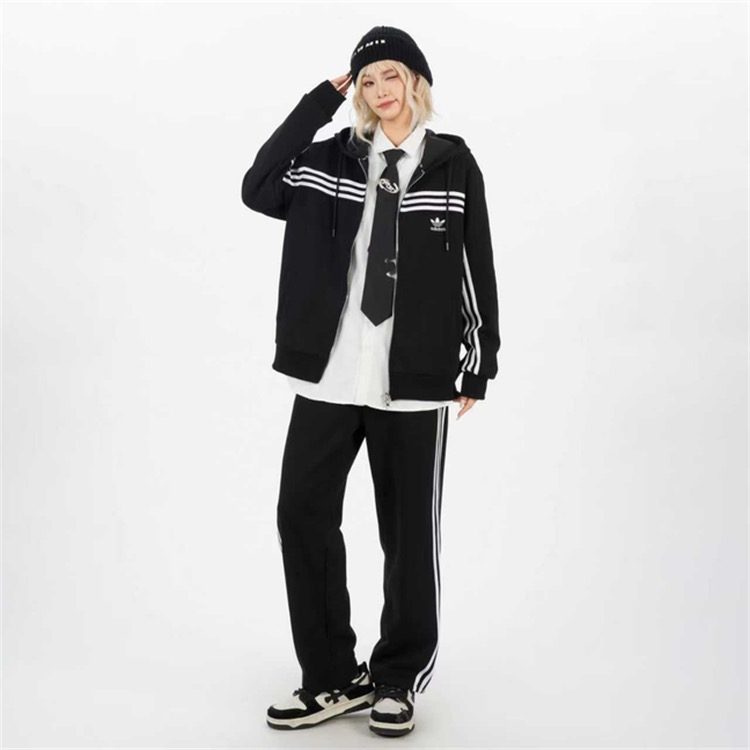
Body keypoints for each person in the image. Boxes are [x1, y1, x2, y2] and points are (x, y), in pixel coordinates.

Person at [241, 25, 500, 737]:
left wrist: (479, 359)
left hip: (412, 379)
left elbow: (475, 264)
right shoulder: (329, 159)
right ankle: (330, 677)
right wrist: (314, 104)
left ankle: (396, 679)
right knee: (301, 515)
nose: (380, 90)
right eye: (366, 80)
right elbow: (257, 187)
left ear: (415, 81)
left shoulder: (452, 163)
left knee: (408, 536)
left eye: (391, 75)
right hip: (331, 373)